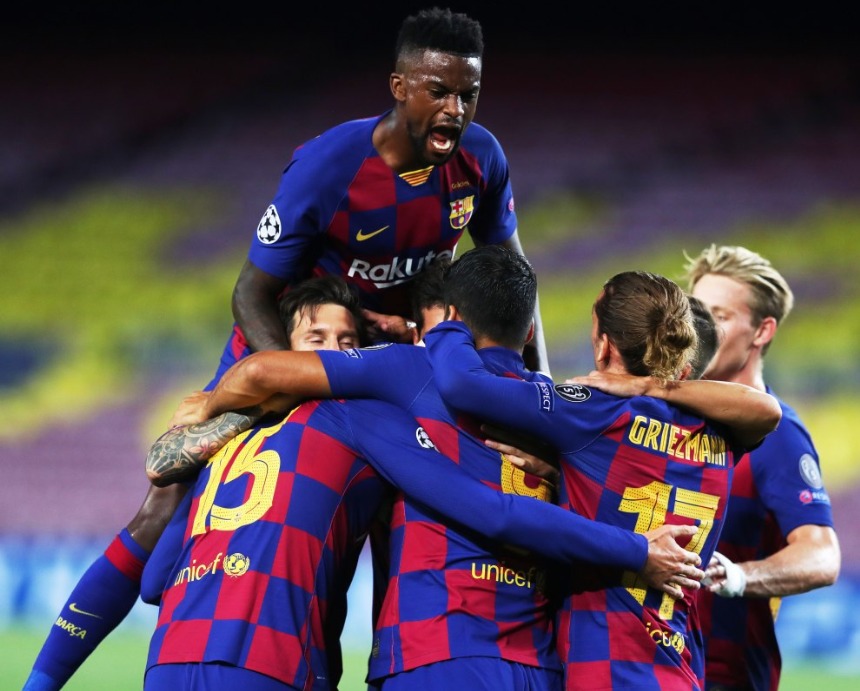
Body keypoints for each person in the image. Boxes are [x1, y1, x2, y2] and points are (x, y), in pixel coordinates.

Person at [160, 246, 710, 690]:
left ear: (451, 320)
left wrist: (208, 406)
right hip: (538, 662)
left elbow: (262, 371)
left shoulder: (411, 371)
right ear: (527, 334)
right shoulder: (562, 408)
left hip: (434, 650)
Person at [422, 270, 783, 690]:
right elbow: (768, 411)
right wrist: (569, 475)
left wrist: (448, 322)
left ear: (605, 343)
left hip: (608, 672)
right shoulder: (719, 432)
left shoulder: (592, 412)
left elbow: (462, 384)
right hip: (680, 672)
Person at [23, 276, 367, 691]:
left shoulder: (244, 424)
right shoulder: (340, 414)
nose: (331, 352)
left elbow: (155, 579)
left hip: (178, 655)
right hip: (273, 659)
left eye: (346, 342)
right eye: (317, 339)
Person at [219, 5, 549, 381]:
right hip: (307, 345)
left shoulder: (482, 158)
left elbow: (517, 286)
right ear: (400, 87)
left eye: (468, 95)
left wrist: (542, 386)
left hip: (398, 356)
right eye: (438, 92)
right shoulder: (326, 168)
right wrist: (289, 379)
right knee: (195, 437)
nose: (455, 110)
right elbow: (250, 293)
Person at [683, 244, 840, 691]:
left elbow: (822, 555)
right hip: (644, 671)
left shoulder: (779, 436)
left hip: (720, 676)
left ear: (761, 331)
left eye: (720, 315)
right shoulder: (655, 419)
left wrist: (736, 575)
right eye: (695, 313)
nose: (701, 331)